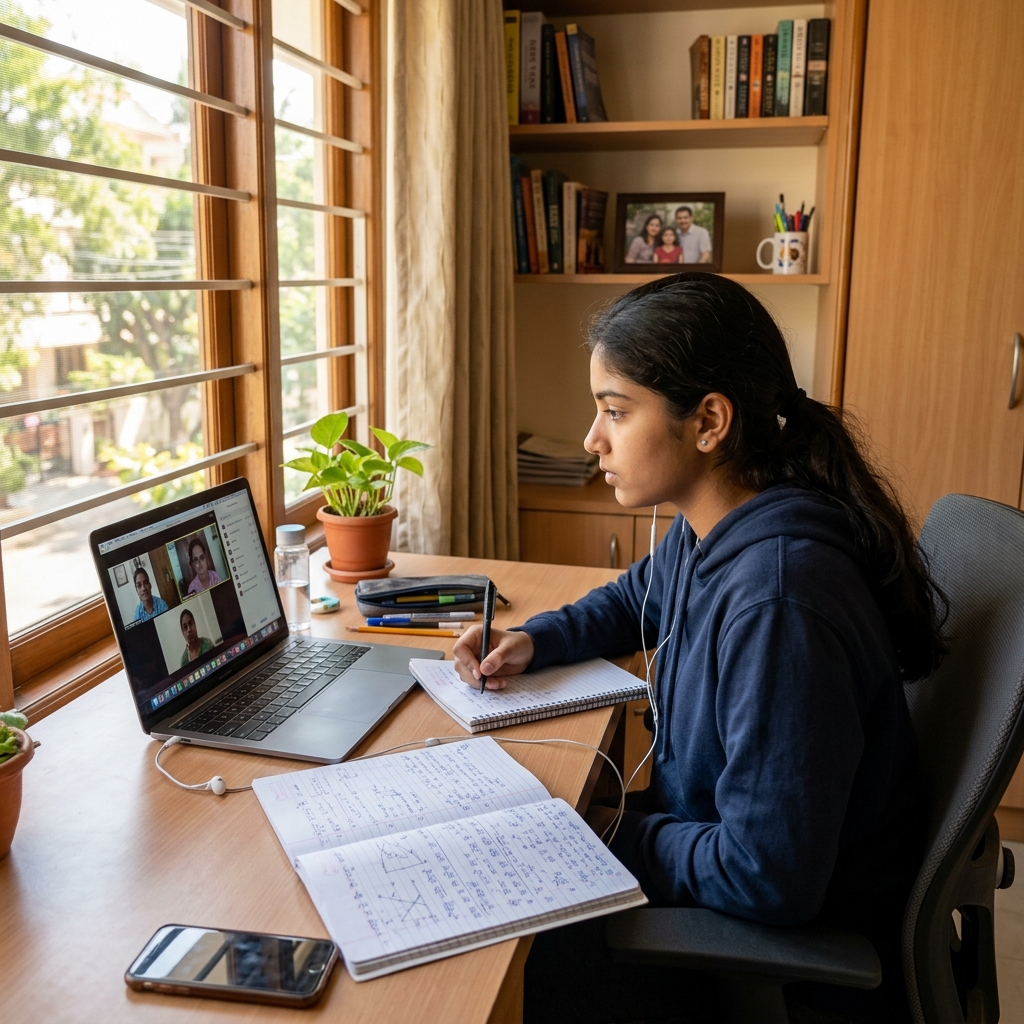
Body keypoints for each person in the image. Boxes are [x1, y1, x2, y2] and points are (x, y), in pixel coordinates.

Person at [452, 272, 945, 1023]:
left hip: (781, 943)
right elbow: (634, 598)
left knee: (507, 955)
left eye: (615, 411)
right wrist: (533, 638)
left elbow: (766, 876)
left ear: (709, 420)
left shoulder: (779, 603)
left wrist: (611, 829)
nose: (593, 439)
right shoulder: (719, 523)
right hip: (723, 844)